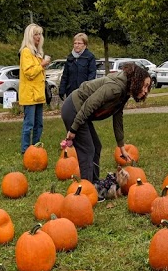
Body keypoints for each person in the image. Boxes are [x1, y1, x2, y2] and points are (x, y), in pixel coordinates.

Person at [60, 62, 152, 197]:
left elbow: (118, 116)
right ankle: (85, 191)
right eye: (144, 86)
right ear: (136, 80)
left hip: (80, 111)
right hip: (74, 109)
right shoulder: (115, 88)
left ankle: (94, 185)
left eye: (147, 88)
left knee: (97, 146)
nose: (145, 91)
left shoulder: (125, 90)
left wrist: (121, 146)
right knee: (88, 149)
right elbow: (90, 104)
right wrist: (73, 129)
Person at [19, 24, 50, 155]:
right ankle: (25, 150)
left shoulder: (37, 52)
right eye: (35, 34)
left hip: (38, 94)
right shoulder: (26, 52)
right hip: (29, 95)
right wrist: (42, 64)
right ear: (29, 36)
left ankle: (36, 146)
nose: (38, 37)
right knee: (29, 124)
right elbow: (29, 73)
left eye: (39, 34)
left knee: (39, 124)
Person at [59, 33, 96, 101]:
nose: (77, 45)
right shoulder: (70, 57)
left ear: (85, 44)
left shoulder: (89, 57)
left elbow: (92, 74)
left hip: (84, 91)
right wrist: (62, 89)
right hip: (70, 91)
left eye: (79, 43)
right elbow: (65, 75)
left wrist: (87, 88)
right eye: (75, 43)